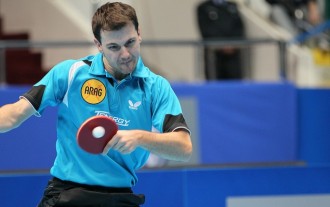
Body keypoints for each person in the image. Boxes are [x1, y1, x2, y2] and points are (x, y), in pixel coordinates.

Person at [0, 2, 192, 207]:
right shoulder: (70, 73)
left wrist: (139, 137)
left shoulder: (156, 87)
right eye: (114, 47)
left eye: (130, 42)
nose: (125, 54)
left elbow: (184, 148)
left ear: (139, 33)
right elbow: (15, 113)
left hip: (120, 197)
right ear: (98, 44)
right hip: (67, 194)